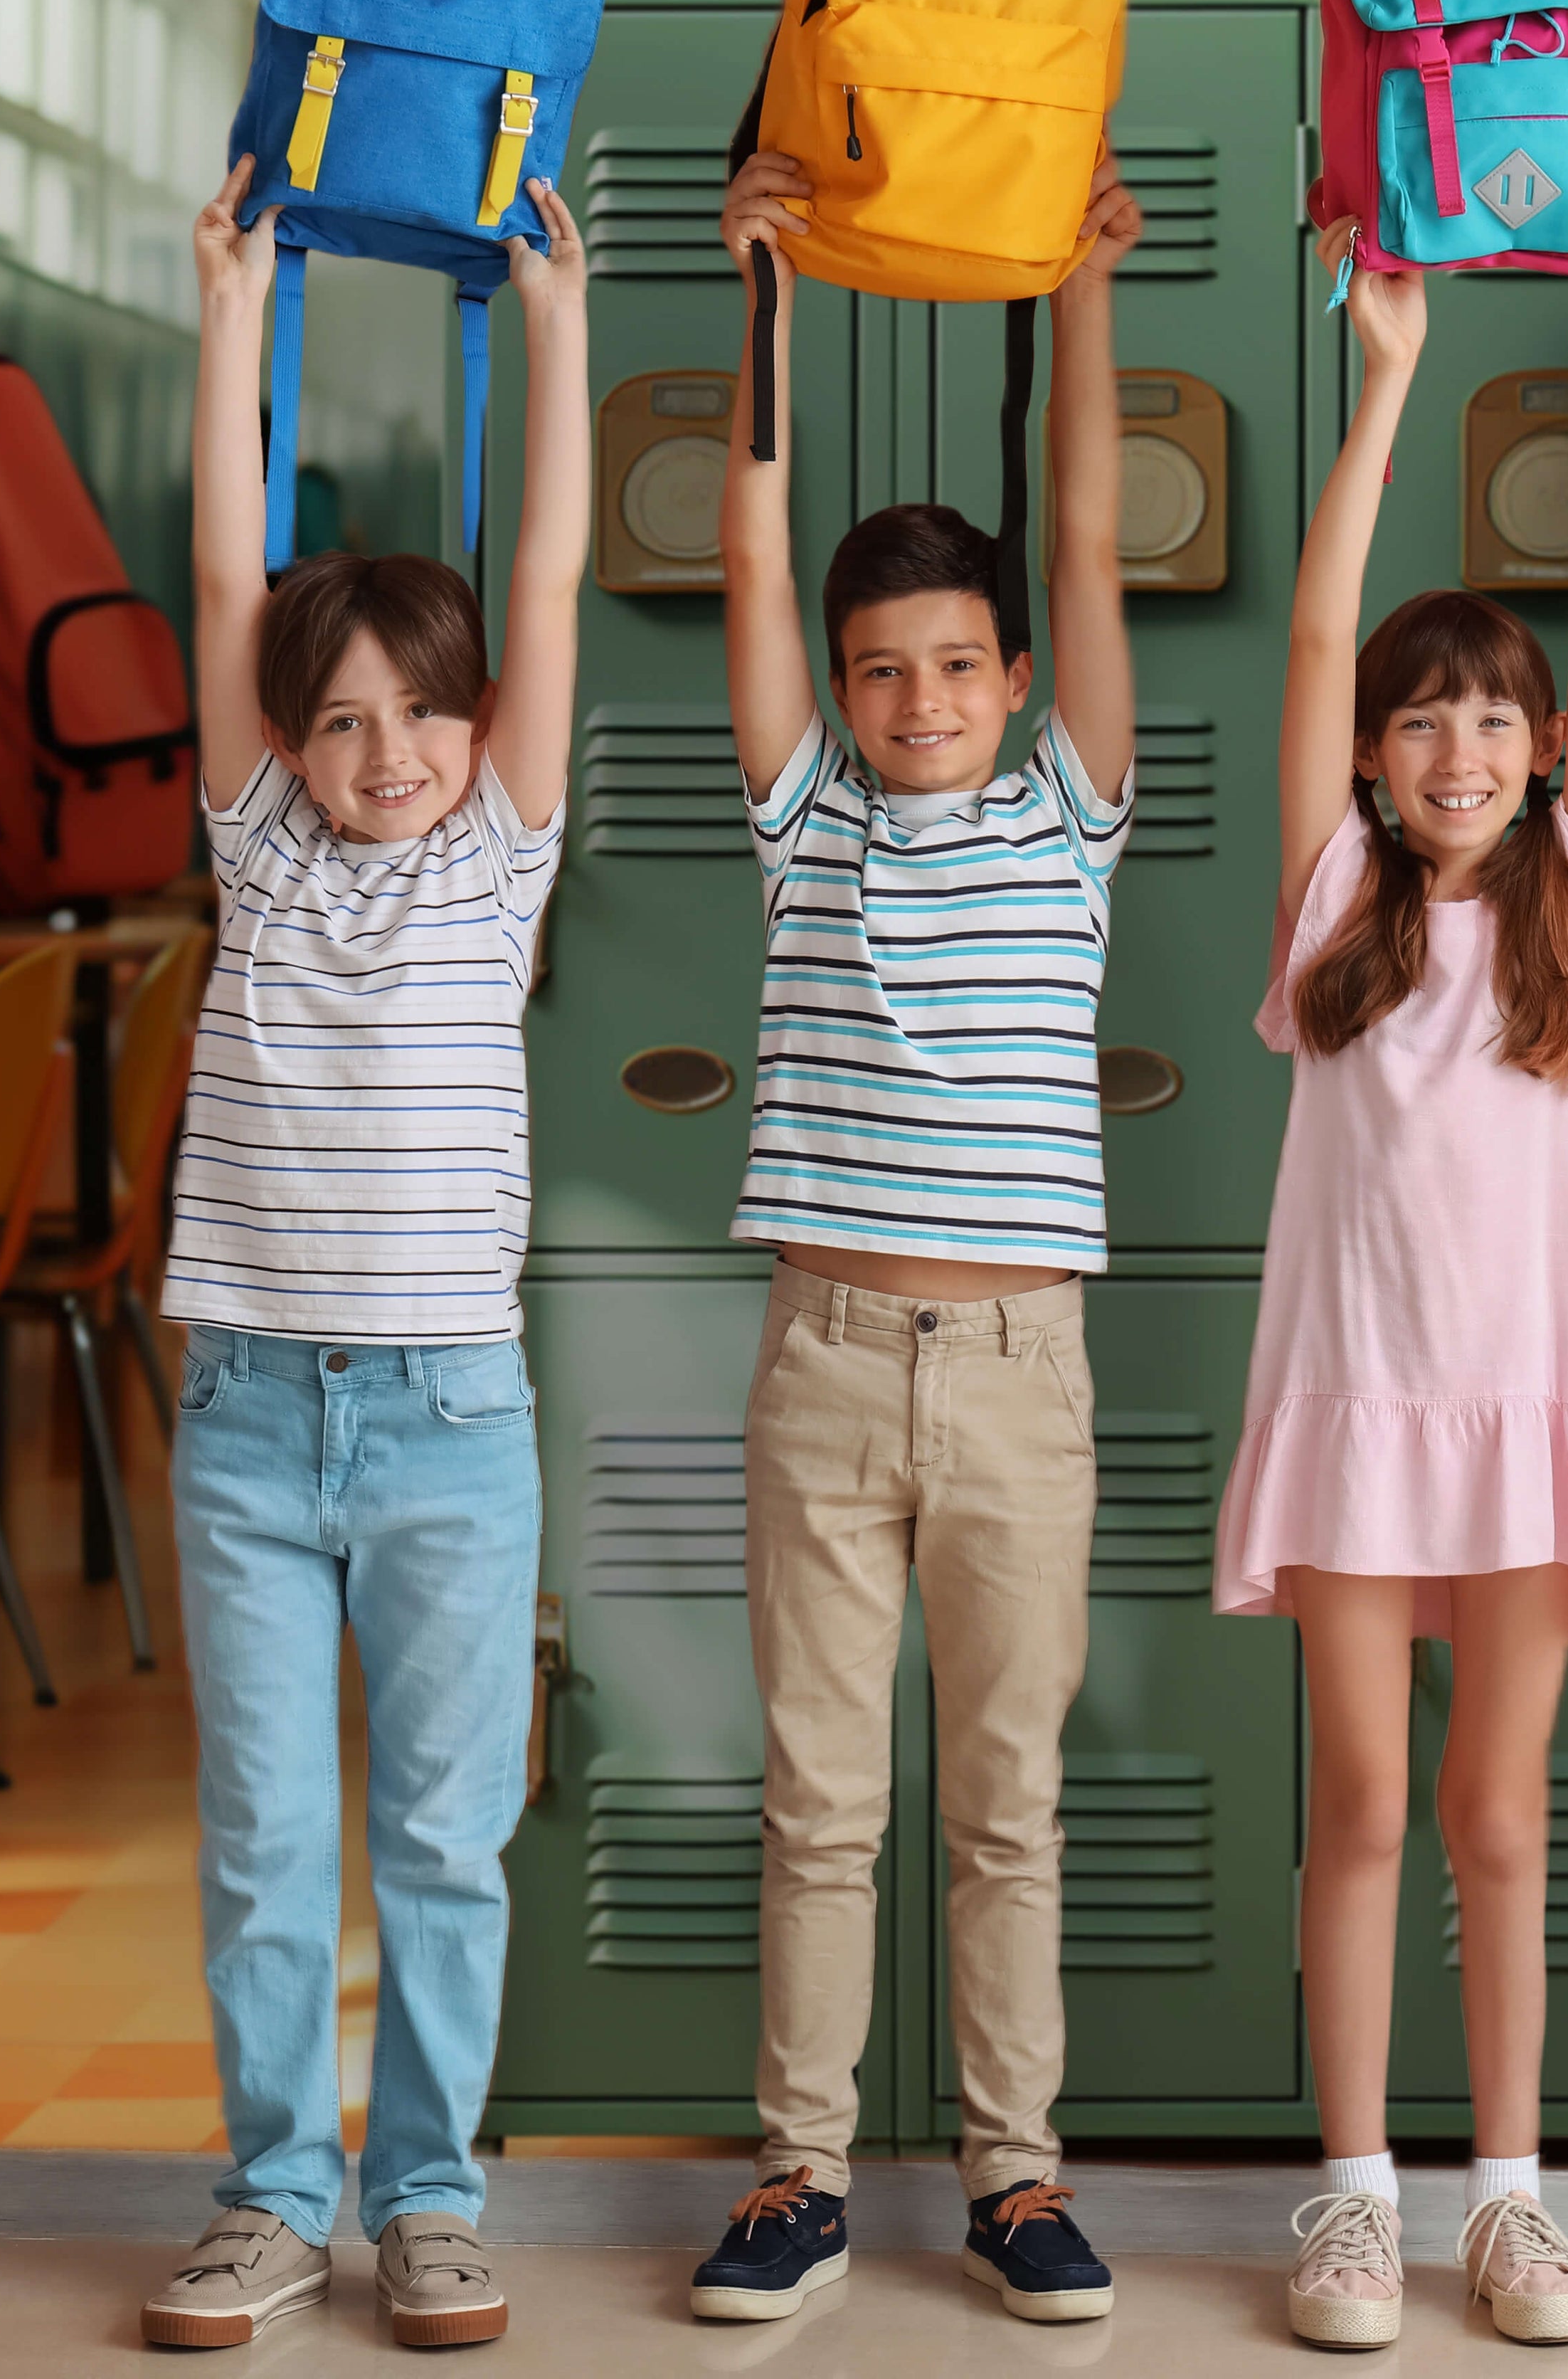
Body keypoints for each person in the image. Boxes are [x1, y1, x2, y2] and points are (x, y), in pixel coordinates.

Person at [683, 149, 1143, 2327]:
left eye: (960, 668)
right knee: (818, 1801)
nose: (925, 702)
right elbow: (746, 549)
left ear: (1017, 677)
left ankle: (1015, 2182)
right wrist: (764, 291)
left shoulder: (1071, 810)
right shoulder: (808, 830)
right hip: (831, 1357)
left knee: (1008, 1807)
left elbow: (1080, 524)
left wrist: (1077, 303)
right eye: (887, 675)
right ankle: (796, 2178)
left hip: (1025, 1375)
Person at [141, 159, 590, 2351]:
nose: (382, 753)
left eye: (421, 713)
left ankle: (426, 2199)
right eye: (337, 720)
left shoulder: (497, 863)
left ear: (478, 726)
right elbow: (231, 562)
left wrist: (560, 335)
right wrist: (232, 310)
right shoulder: (260, 855)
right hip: (243, 1409)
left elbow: (565, 566)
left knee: (442, 1844)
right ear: (286, 742)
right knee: (260, 1852)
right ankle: (267, 2199)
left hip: (446, 1424)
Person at [1229, 238, 1568, 2352]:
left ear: (1548, 746)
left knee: (1500, 1814)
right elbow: (1319, 620)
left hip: (1522, 1412)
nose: (1462, 744)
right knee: (1363, 1803)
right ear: (1379, 764)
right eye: (1426, 721)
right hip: (1354, 1410)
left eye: (1496, 717)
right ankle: (1351, 2200)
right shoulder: (1338, 907)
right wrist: (1391, 372)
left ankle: (1506, 2197)